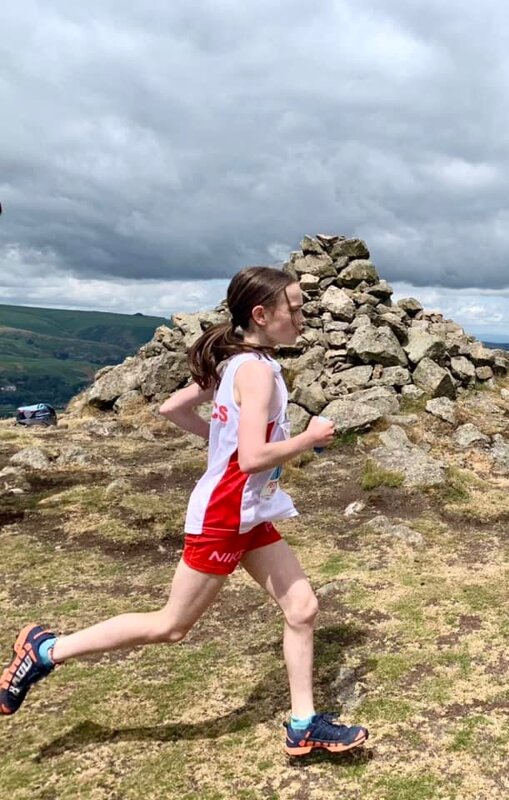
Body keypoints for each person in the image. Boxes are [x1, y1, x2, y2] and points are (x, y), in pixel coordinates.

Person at [0, 266, 368, 757]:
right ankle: (45, 651)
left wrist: (221, 446)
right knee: (171, 626)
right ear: (261, 314)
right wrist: (309, 438)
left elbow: (172, 408)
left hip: (248, 510)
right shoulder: (254, 371)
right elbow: (253, 457)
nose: (304, 316)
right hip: (223, 514)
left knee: (302, 608)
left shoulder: (236, 362)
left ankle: (303, 724)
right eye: (296, 307)